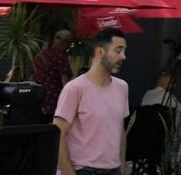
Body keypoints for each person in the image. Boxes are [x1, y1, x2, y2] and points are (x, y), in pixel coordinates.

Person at [53, 28, 129, 175]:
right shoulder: (75, 89)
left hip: (113, 170)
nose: (123, 56)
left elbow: (120, 130)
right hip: (83, 170)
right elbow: (57, 136)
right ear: (100, 52)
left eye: (124, 51)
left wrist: (122, 167)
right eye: (118, 51)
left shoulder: (122, 87)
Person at [33, 28, 73, 122]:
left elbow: (33, 73)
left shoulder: (40, 55)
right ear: (65, 43)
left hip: (37, 97)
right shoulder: (61, 57)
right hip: (52, 99)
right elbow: (65, 80)